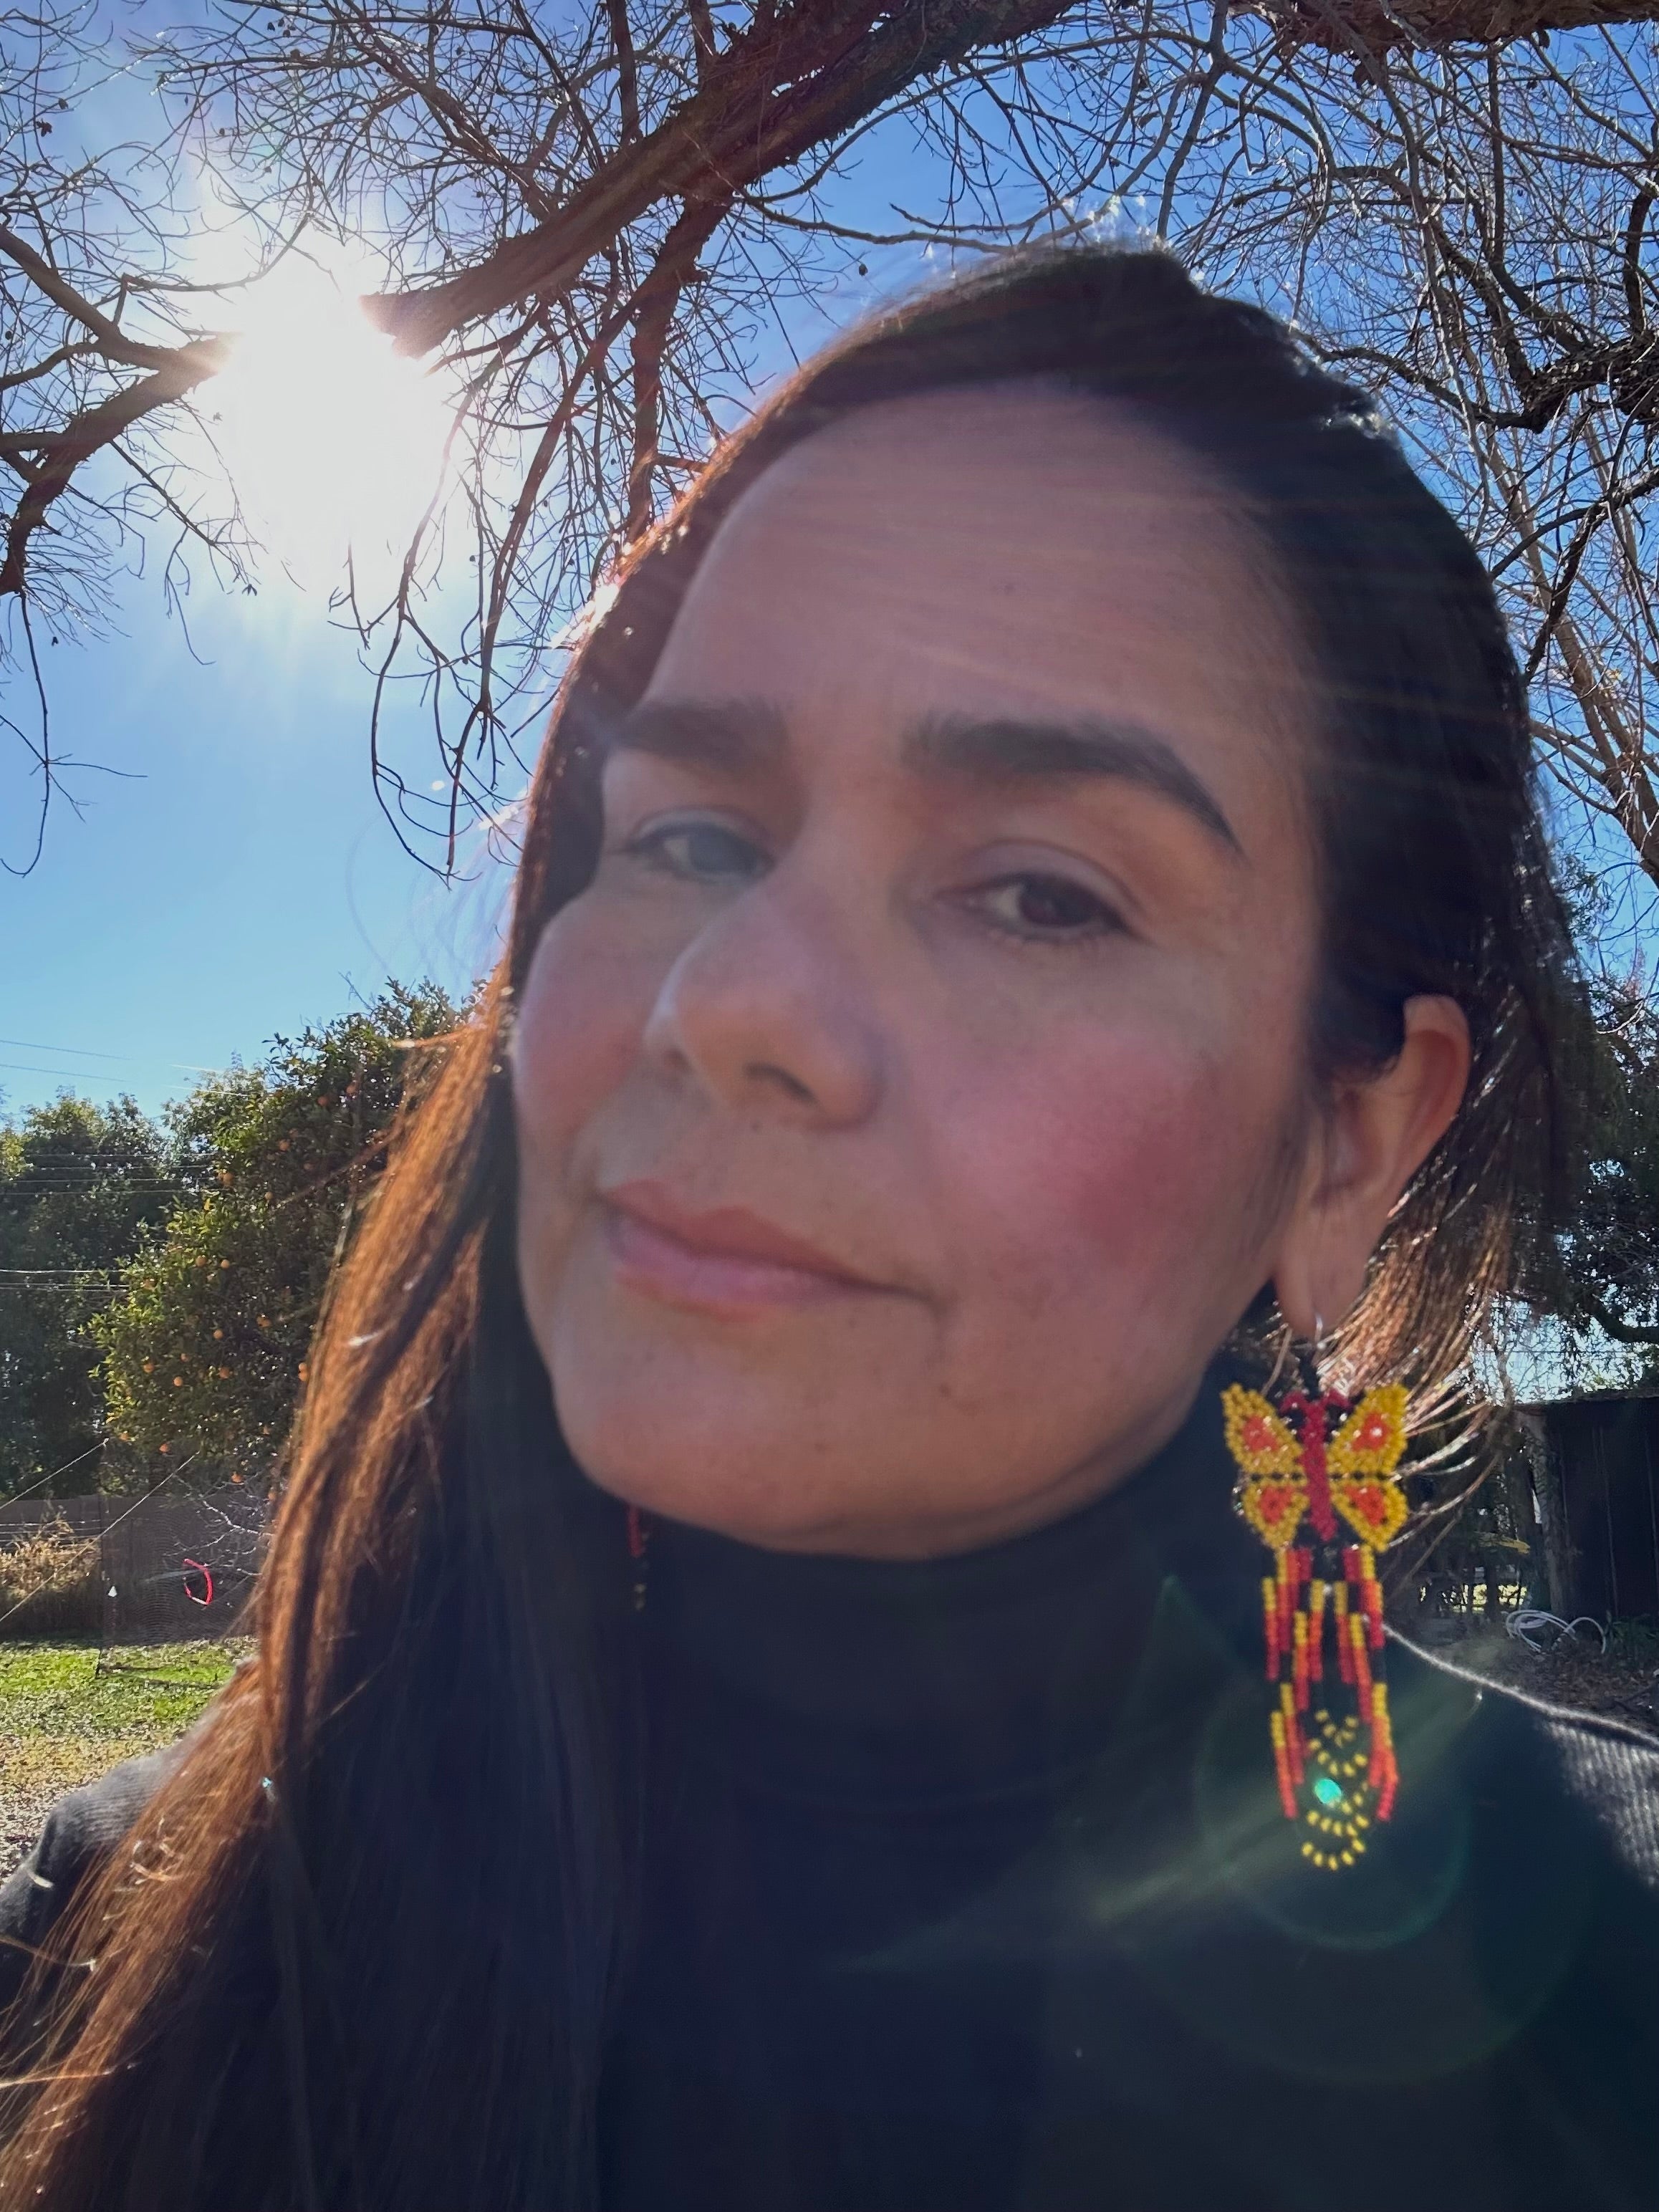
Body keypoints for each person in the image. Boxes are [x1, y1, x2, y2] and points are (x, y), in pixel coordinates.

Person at [0, 245, 1652, 2212]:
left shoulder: (1591, 2001)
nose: (729, 1004)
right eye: (688, 835)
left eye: (1039, 894)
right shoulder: (109, 1951)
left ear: (1345, 1144)